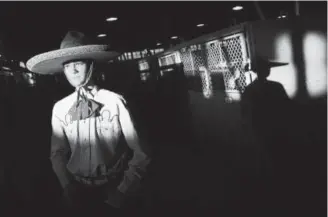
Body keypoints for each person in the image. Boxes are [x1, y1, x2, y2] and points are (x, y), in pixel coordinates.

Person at [26, 31, 151, 216]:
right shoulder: (60, 108)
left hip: (114, 185)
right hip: (77, 189)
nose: (73, 71)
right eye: (68, 66)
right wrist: (66, 185)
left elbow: (142, 152)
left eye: (78, 64)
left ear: (91, 65)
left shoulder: (115, 102)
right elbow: (57, 153)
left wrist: (123, 189)